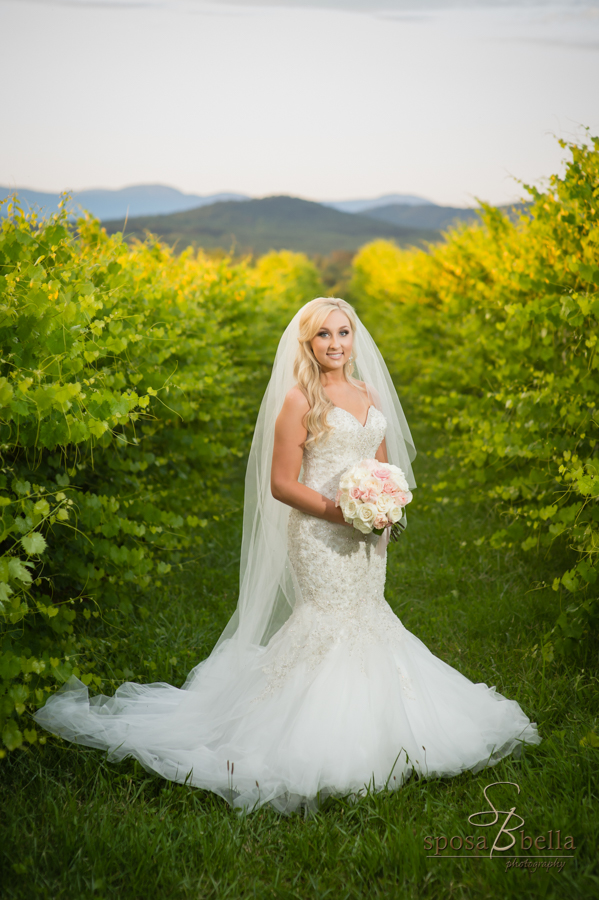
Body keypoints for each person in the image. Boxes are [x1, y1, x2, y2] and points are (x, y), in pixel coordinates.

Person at [34, 297, 541, 815]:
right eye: (324, 335)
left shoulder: (368, 393)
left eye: (344, 333)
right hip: (321, 533)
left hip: (369, 533)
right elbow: (280, 484)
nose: (336, 344)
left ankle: (386, 721)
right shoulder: (301, 400)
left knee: (370, 616)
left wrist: (385, 507)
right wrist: (340, 512)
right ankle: (303, 734)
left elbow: (382, 465)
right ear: (307, 343)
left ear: (354, 339)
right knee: (327, 620)